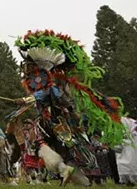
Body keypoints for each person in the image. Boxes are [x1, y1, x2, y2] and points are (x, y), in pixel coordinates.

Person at [12, 30, 127, 186]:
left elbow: (48, 95)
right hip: (47, 120)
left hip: (61, 120)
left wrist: (28, 98)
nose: (26, 70)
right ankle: (65, 170)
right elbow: (40, 95)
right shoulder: (44, 82)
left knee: (72, 147)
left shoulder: (54, 83)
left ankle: (88, 175)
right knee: (40, 143)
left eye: (29, 66)